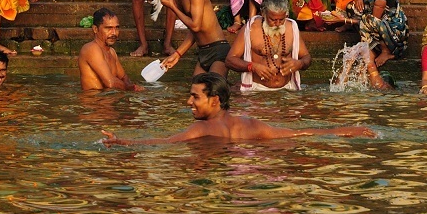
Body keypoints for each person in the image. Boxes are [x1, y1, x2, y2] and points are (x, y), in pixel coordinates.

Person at [102, 72, 374, 144]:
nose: (188, 102)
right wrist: (353, 130)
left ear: (214, 101)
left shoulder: (201, 128)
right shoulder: (251, 125)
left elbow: (163, 142)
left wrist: (122, 141)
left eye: (194, 97)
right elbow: (304, 134)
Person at [152, 0, 231, 76]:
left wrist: (172, 7)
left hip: (218, 49)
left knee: (214, 87)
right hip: (203, 52)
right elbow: (193, 31)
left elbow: (195, 25)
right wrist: (177, 54)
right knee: (195, 89)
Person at [226, 0, 311, 92]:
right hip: (257, 91)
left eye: (281, 19)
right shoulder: (250, 28)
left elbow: (307, 57)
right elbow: (230, 60)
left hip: (287, 90)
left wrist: (299, 64)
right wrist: (253, 67)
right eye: (273, 19)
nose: (278, 24)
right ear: (263, 13)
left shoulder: (292, 27)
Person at [358, 0, 409, 74]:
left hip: (396, 35)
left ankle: (385, 52)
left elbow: (374, 20)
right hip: (382, 29)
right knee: (352, 8)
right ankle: (373, 49)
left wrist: (344, 21)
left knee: (366, 20)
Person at [79, 7, 139, 92]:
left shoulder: (112, 52)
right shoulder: (91, 49)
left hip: (109, 101)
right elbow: (110, 82)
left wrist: (132, 86)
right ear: (95, 29)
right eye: (108, 28)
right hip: (94, 102)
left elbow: (123, 77)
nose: (114, 33)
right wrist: (131, 89)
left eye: (117, 28)